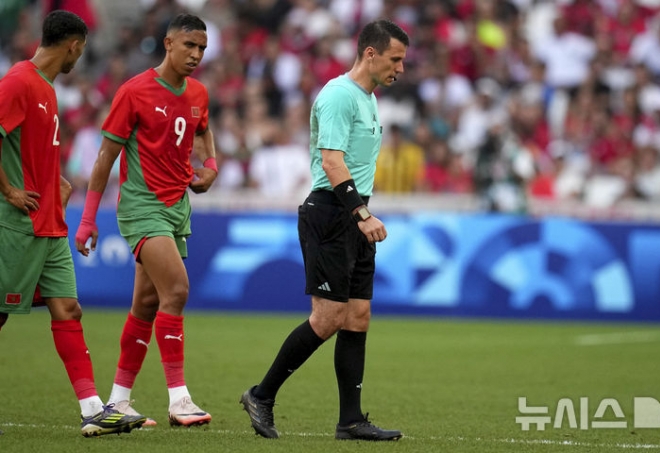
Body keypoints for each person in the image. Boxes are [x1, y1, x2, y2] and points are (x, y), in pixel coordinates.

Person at [240, 19, 409, 441]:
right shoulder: (338, 95)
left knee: (357, 316)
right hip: (332, 212)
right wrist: (361, 214)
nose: (401, 69)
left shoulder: (369, 98)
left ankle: (350, 421)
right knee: (328, 316)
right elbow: (332, 162)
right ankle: (262, 394)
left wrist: (362, 212)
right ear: (370, 54)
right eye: (396, 59)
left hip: (354, 211)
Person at [0, 10, 146, 437]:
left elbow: (28, 151)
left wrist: (56, 183)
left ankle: (92, 409)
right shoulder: (18, 82)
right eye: (81, 50)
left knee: (69, 309)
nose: (79, 57)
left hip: (50, 224)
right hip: (18, 224)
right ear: (74, 44)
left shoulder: (45, 88)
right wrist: (9, 191)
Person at [74, 13, 217, 428]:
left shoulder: (199, 94)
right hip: (142, 206)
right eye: (189, 45)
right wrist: (87, 219)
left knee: (147, 303)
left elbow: (204, 131)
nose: (196, 54)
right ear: (168, 43)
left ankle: (117, 401)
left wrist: (210, 164)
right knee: (176, 289)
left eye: (202, 48)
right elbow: (105, 157)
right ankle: (180, 399)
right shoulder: (134, 91)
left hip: (177, 208)